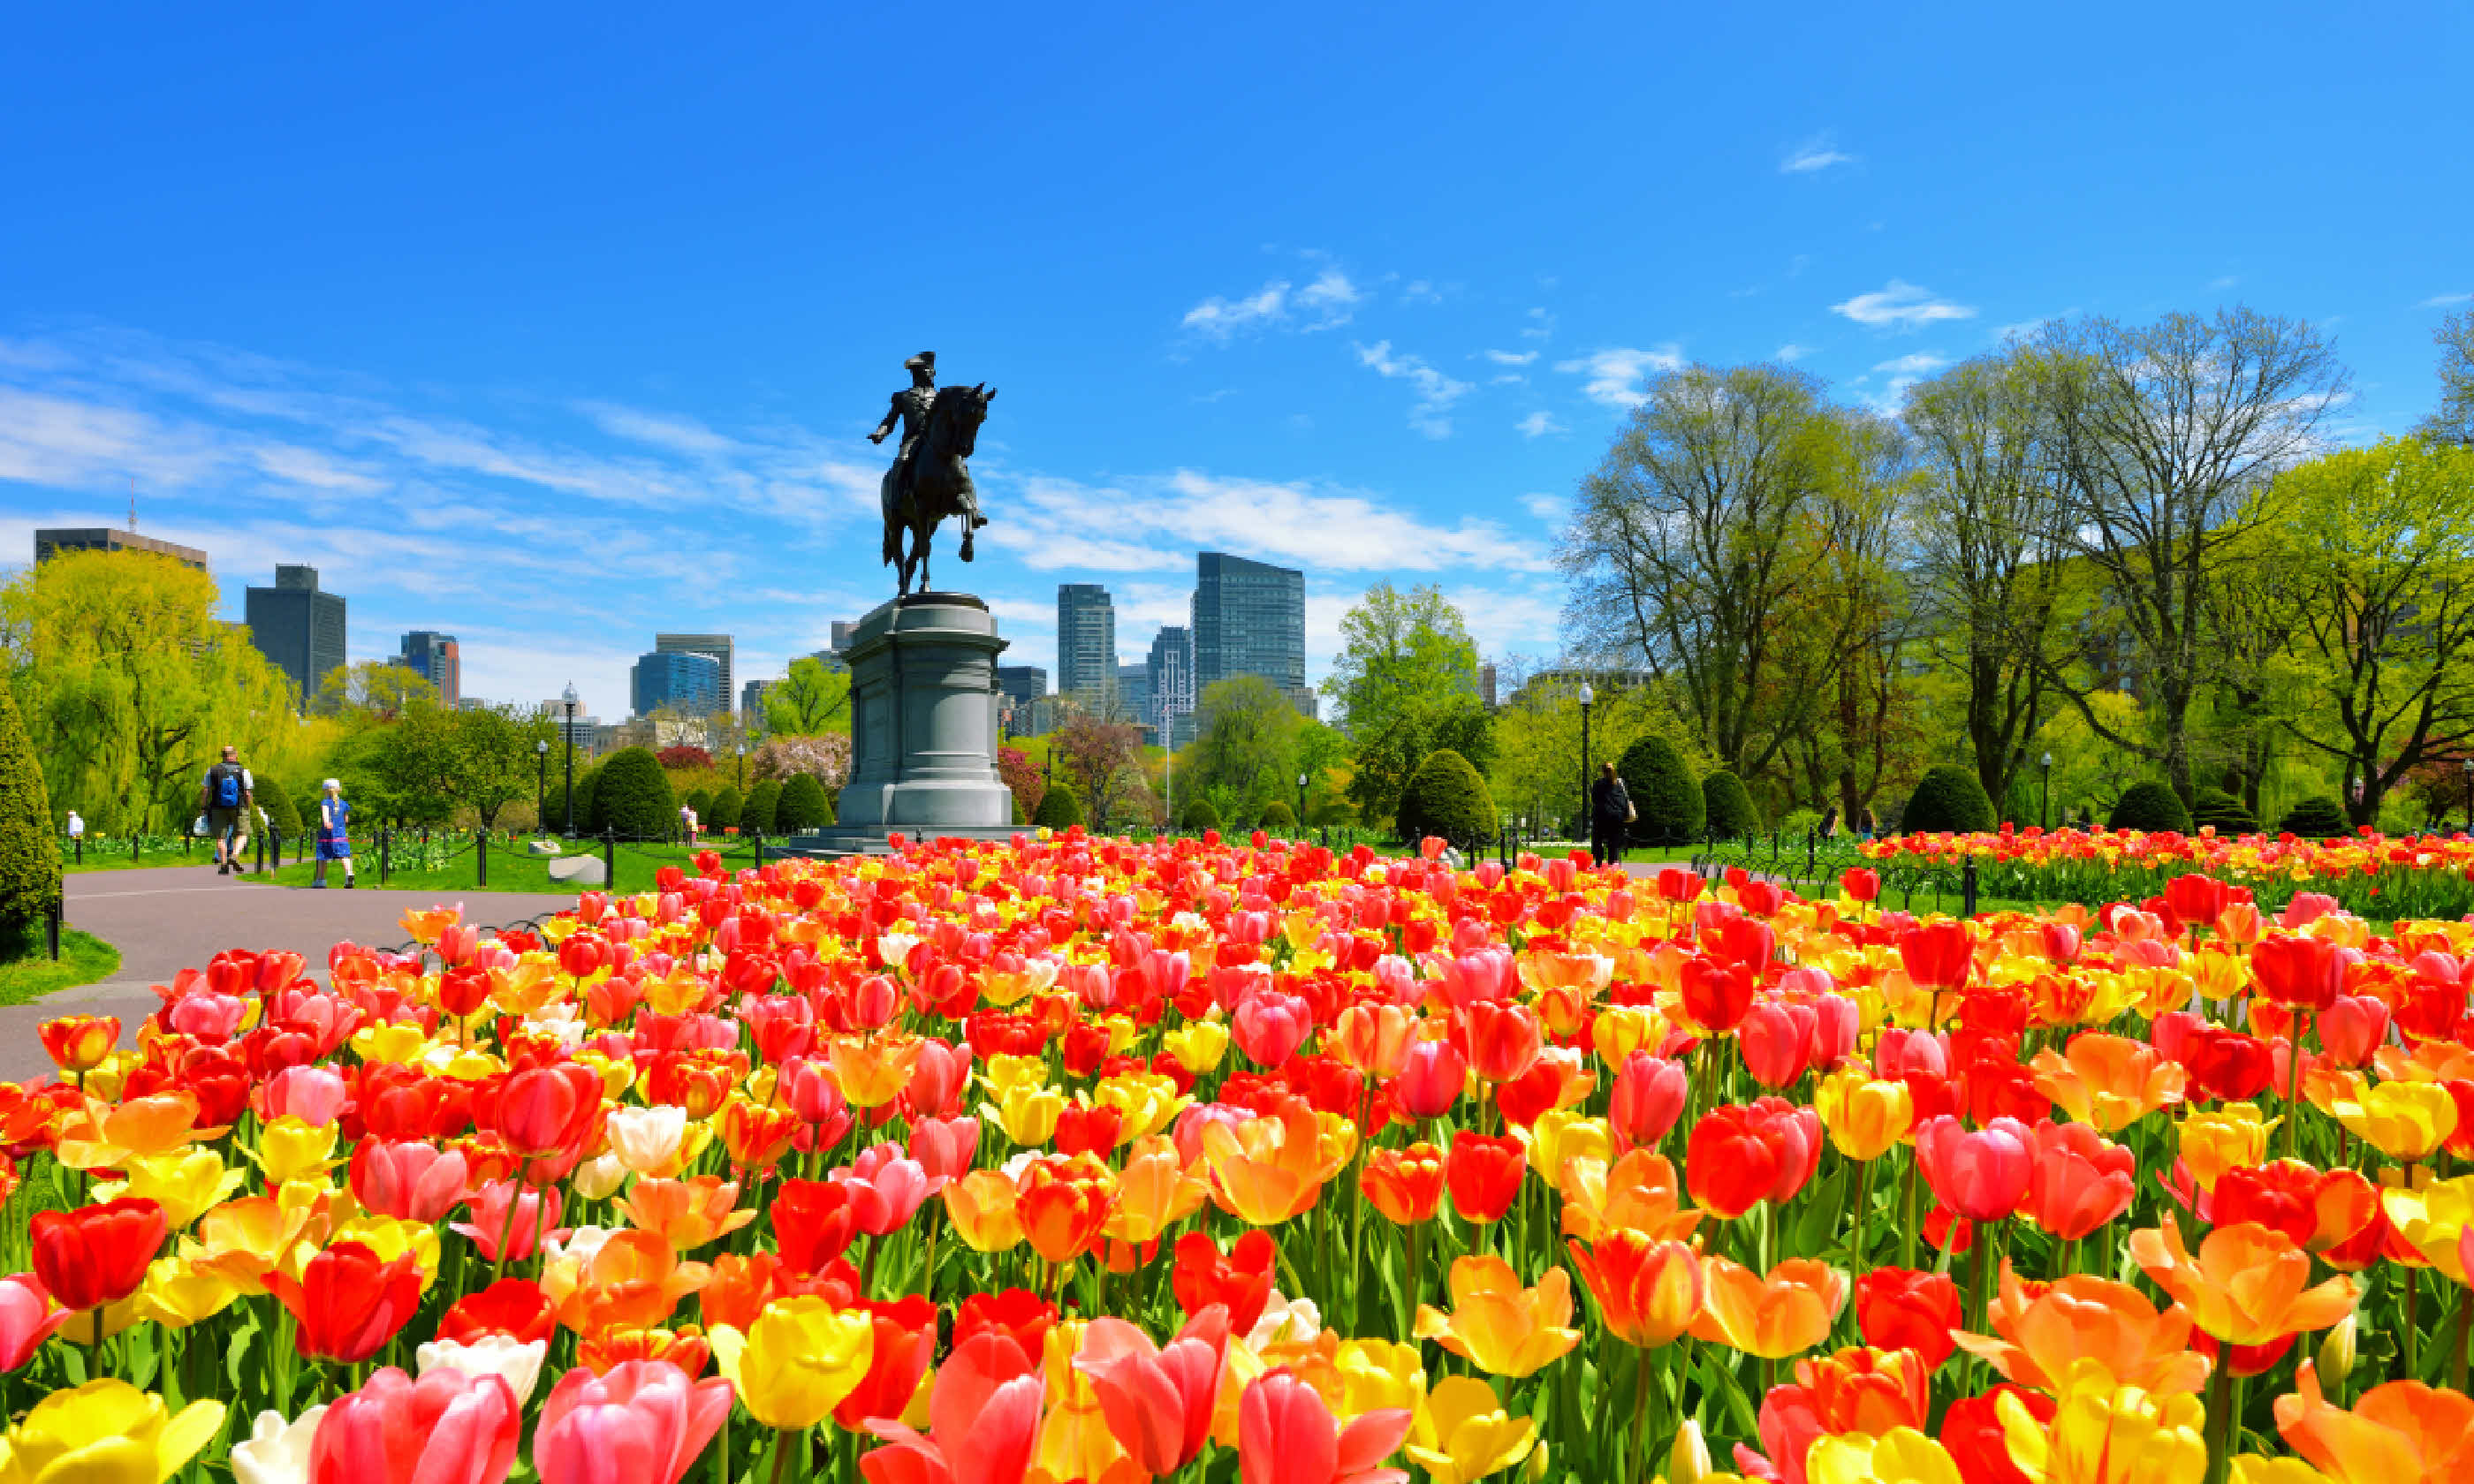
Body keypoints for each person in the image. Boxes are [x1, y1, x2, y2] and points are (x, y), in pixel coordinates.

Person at [201, 746, 254, 877]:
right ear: (235, 755)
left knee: (220, 838)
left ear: (222, 756)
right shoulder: (243, 771)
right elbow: (247, 793)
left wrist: (203, 807)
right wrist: (248, 807)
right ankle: (235, 855)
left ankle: (224, 866)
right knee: (243, 833)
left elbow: (205, 791)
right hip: (239, 806)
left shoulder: (212, 770)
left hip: (218, 807)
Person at [1588, 760, 1633, 869]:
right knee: (1614, 844)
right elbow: (1624, 798)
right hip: (1617, 817)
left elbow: (1594, 799)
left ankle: (1598, 864)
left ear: (1603, 772)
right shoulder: (1620, 783)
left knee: (1597, 840)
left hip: (1601, 817)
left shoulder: (1598, 783)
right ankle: (1613, 866)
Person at [314, 779, 355, 889]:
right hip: (341, 834)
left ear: (326, 791)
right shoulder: (344, 804)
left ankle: (320, 880)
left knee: (323, 857)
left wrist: (327, 822)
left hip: (327, 835)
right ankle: (349, 873)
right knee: (344, 855)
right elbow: (346, 819)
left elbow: (325, 817)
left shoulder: (326, 802)